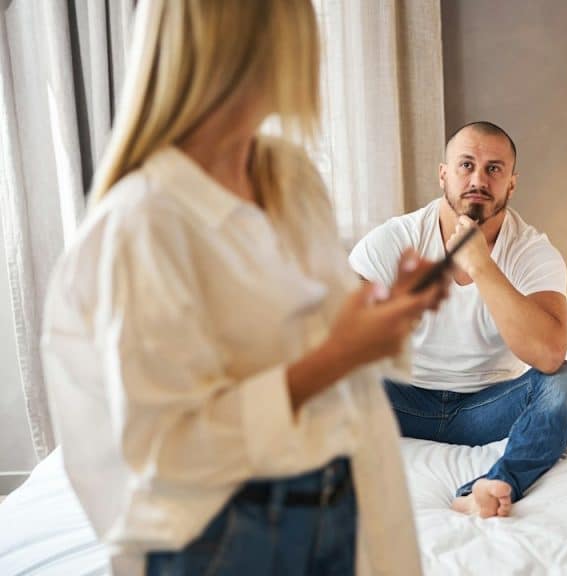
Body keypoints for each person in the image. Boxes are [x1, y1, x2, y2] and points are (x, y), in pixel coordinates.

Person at [39, 1, 444, 574]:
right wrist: (338, 354)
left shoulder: (289, 178)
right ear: (247, 44)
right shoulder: (143, 224)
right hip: (226, 538)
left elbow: (310, 329)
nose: (315, 45)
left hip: (336, 499)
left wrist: (383, 310)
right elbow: (166, 452)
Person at [349, 121, 567, 519]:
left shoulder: (532, 252)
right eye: (466, 165)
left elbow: (548, 355)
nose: (478, 179)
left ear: (512, 183)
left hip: (487, 409)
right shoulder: (396, 239)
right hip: (401, 400)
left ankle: (495, 485)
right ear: (443, 174)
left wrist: (481, 265)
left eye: (494, 168)